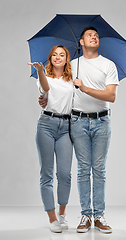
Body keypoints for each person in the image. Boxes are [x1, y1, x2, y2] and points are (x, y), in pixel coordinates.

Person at [39, 26, 119, 234]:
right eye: (89, 35)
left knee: (98, 169)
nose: (94, 37)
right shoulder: (72, 65)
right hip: (77, 122)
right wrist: (44, 99)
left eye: (96, 35)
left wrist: (84, 88)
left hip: (102, 121)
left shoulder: (108, 65)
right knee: (83, 169)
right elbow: (57, 89)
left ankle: (99, 215)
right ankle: (85, 216)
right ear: (81, 42)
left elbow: (111, 96)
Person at [28, 45, 73, 233]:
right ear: (50, 58)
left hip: (66, 127)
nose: (57, 57)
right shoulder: (44, 76)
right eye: (54, 54)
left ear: (66, 59)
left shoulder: (72, 79)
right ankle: (52, 217)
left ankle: (62, 214)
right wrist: (39, 71)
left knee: (64, 174)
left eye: (61, 55)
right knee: (46, 174)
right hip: (46, 124)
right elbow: (45, 89)